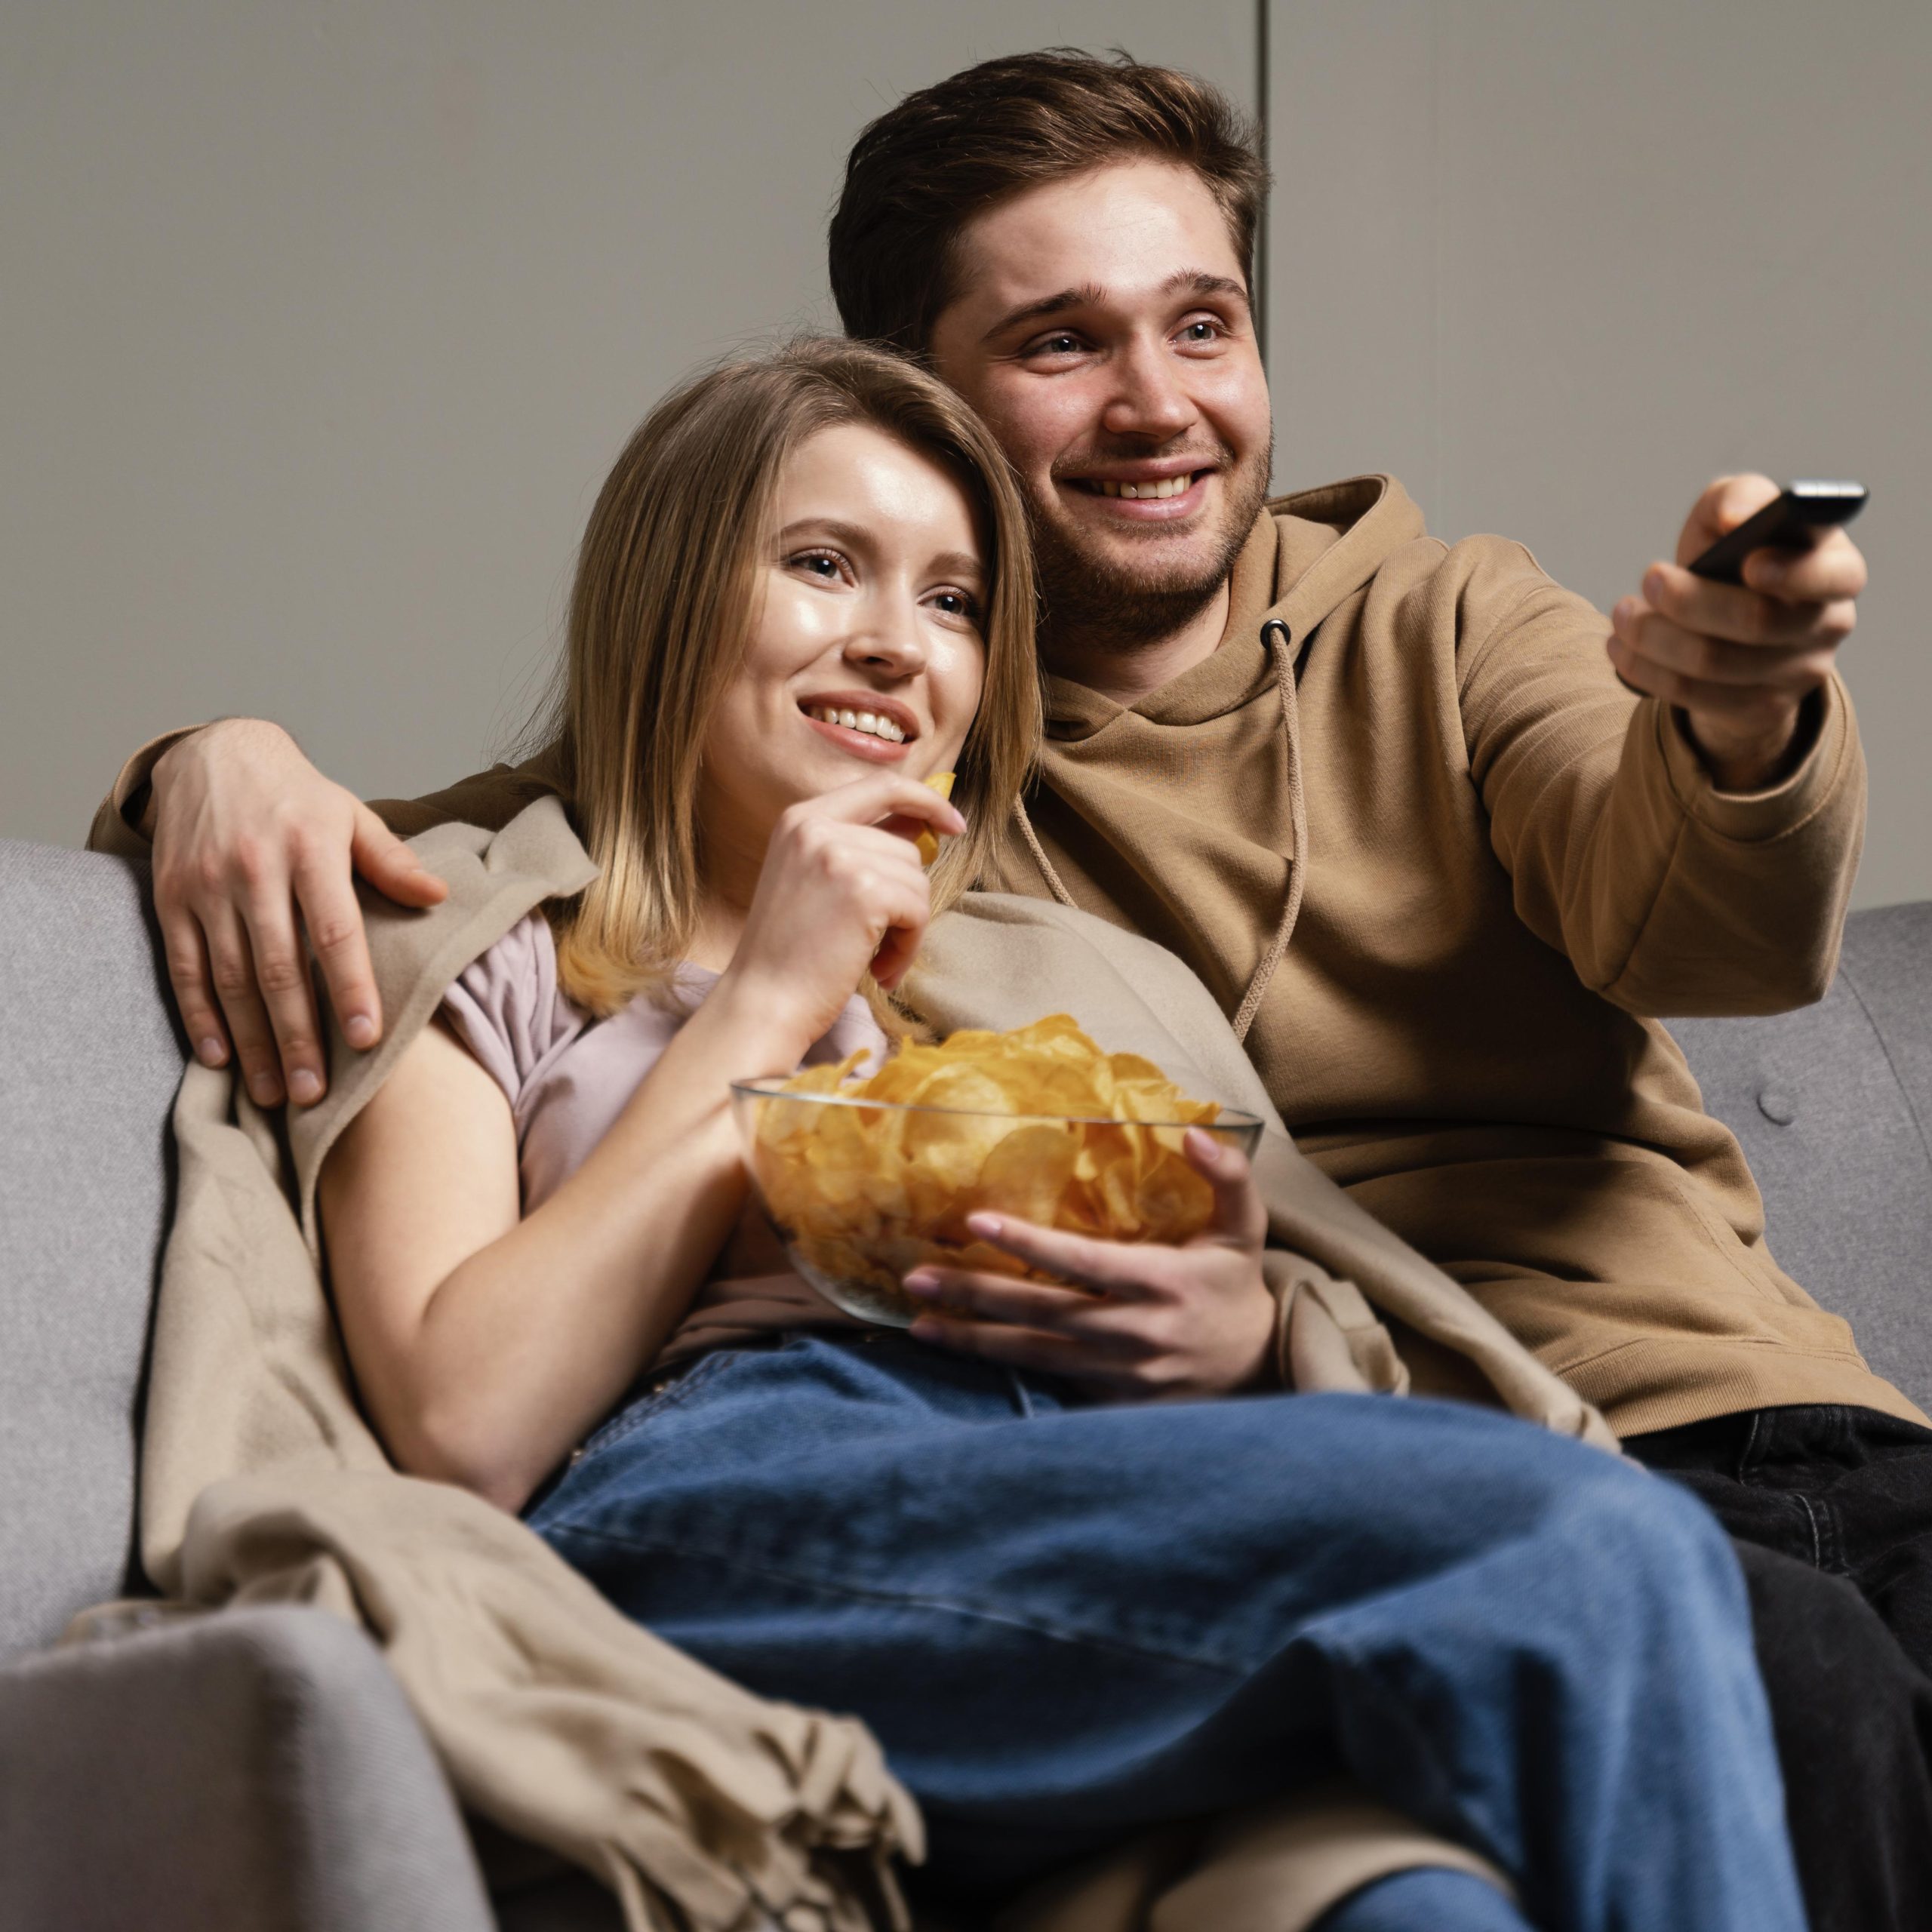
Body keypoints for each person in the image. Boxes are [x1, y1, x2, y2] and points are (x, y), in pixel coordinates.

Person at [88, 49, 1931, 1931]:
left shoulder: (1366, 683)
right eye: (1059, 343)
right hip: (804, 1473)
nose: (1156, 402)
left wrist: (1733, 708)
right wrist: (199, 755)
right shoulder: (551, 918)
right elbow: (502, 910)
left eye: (1200, 322)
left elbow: (1687, 929)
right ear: (933, 393)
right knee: (1615, 1575)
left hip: (1297, 1452)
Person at [305, 331, 1802, 1932]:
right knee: (1595, 1547)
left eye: (950, 600)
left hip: (1072, 1495)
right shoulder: (489, 944)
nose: (898, 646)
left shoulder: (1031, 976)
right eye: (824, 566)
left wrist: (1228, 1328)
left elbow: (1310, 1306)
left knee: (1417, 1913)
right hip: (716, 1505)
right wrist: (759, 997)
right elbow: (463, 1427)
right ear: (671, 599)